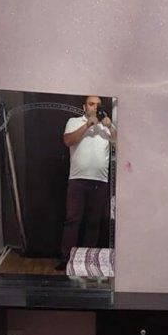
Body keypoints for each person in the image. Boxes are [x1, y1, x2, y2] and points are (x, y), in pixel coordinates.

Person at [59, 95, 115, 265]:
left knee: (94, 222)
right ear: (85, 107)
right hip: (77, 180)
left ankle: (87, 261)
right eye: (91, 104)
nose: (95, 107)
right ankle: (66, 259)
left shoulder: (106, 126)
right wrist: (87, 125)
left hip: (100, 181)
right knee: (72, 220)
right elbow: (68, 141)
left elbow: (120, 143)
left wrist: (109, 126)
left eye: (98, 104)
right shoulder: (74, 121)